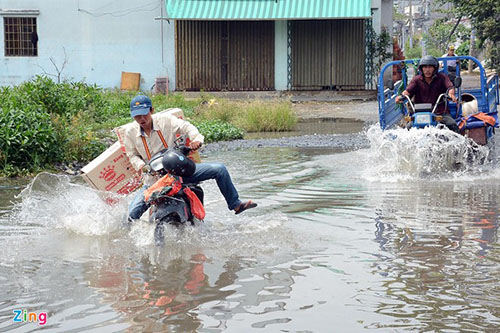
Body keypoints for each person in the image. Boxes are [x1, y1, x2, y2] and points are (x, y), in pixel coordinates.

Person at [123, 95, 257, 221]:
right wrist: (142, 166)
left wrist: (196, 139)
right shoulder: (130, 132)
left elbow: (186, 127)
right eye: (137, 116)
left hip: (177, 172)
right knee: (132, 214)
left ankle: (236, 204)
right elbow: (132, 155)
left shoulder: (166, 120)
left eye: (144, 114)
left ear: (151, 110)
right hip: (154, 179)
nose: (141, 119)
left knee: (220, 169)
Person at [396, 55, 459, 132]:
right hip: (420, 114)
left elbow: (450, 87)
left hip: (439, 112)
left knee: (452, 124)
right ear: (421, 69)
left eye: (430, 67)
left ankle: (459, 143)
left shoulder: (442, 77)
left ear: (435, 68)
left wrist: (451, 94)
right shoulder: (416, 80)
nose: (427, 70)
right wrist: (401, 97)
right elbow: (408, 91)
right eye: (425, 67)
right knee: (408, 129)